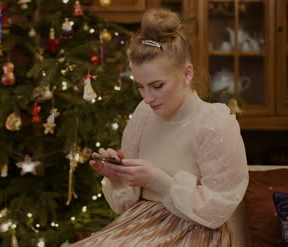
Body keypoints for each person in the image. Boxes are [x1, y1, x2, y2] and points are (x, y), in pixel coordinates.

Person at [70, 8, 248, 247]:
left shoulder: (214, 122)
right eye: (140, 86)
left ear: (187, 73)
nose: (147, 97)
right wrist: (117, 177)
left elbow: (217, 210)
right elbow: (124, 206)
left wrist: (156, 179)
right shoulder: (143, 115)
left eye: (157, 85)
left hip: (194, 231)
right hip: (141, 223)